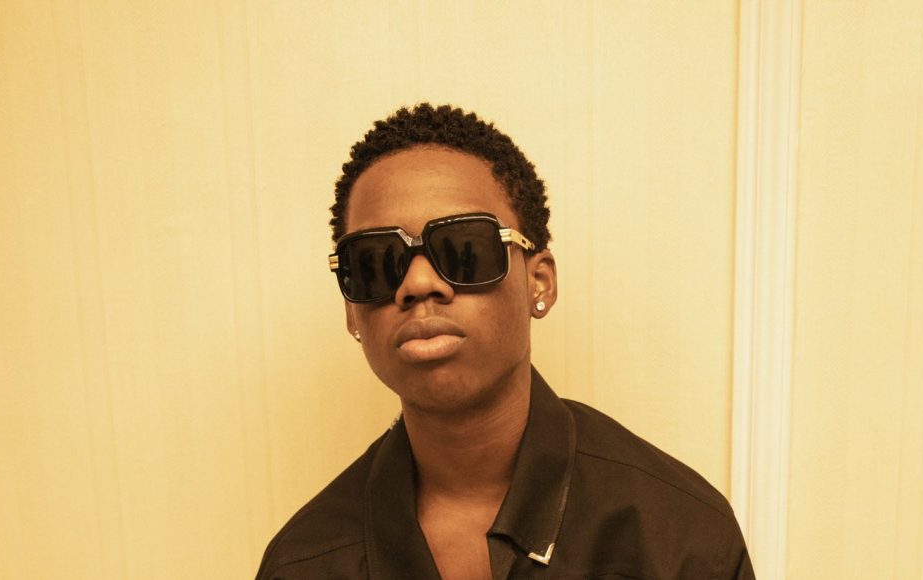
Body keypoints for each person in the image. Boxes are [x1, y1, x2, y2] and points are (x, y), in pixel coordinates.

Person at [257, 104, 754, 579]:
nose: (418, 284)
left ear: (539, 282)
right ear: (352, 311)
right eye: (375, 261)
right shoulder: (303, 564)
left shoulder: (680, 540)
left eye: (464, 249)